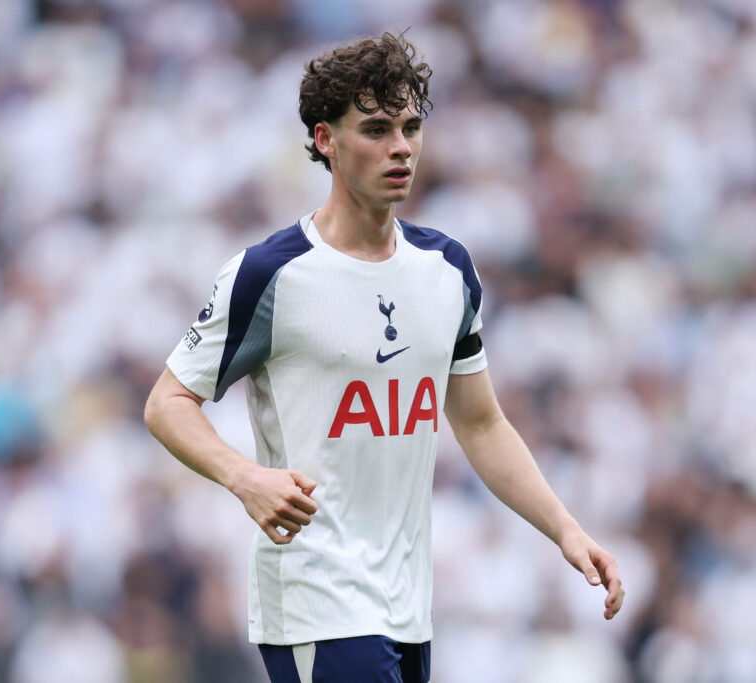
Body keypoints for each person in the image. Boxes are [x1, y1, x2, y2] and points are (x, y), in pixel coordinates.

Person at [144, 31, 624, 683]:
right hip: (316, 600)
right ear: (325, 139)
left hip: (408, 608)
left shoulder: (447, 269)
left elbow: (481, 422)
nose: (400, 147)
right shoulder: (269, 274)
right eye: (375, 130)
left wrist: (564, 528)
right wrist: (245, 477)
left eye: (410, 128)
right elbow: (167, 402)